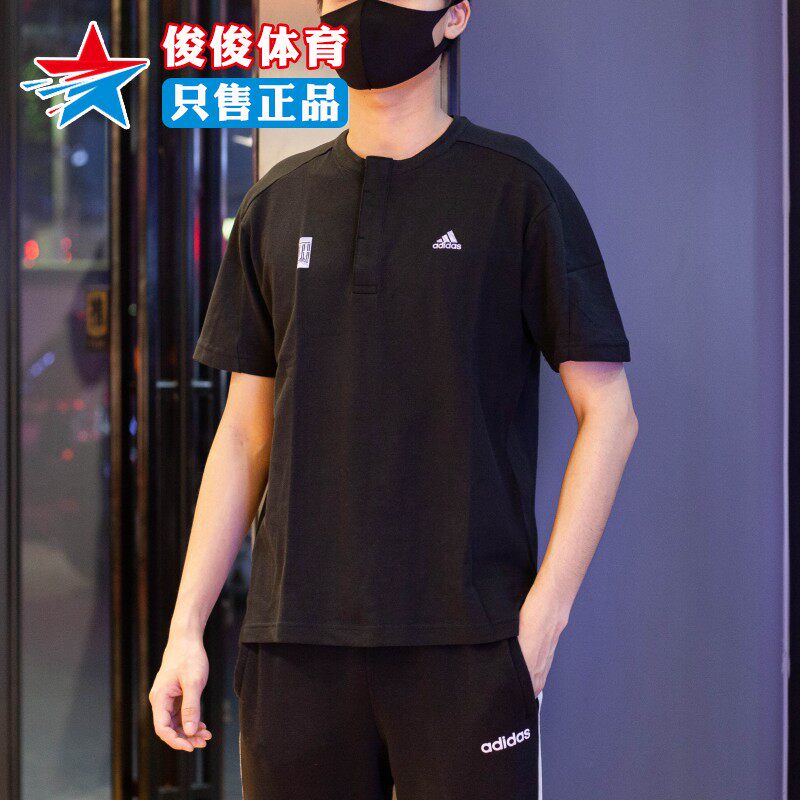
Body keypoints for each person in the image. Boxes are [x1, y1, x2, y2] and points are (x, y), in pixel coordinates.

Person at [149, 1, 638, 798]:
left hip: (465, 642)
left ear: (455, 16)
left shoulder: (517, 190)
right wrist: (185, 629)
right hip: (293, 645)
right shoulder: (277, 202)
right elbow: (243, 435)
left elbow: (611, 415)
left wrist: (544, 618)